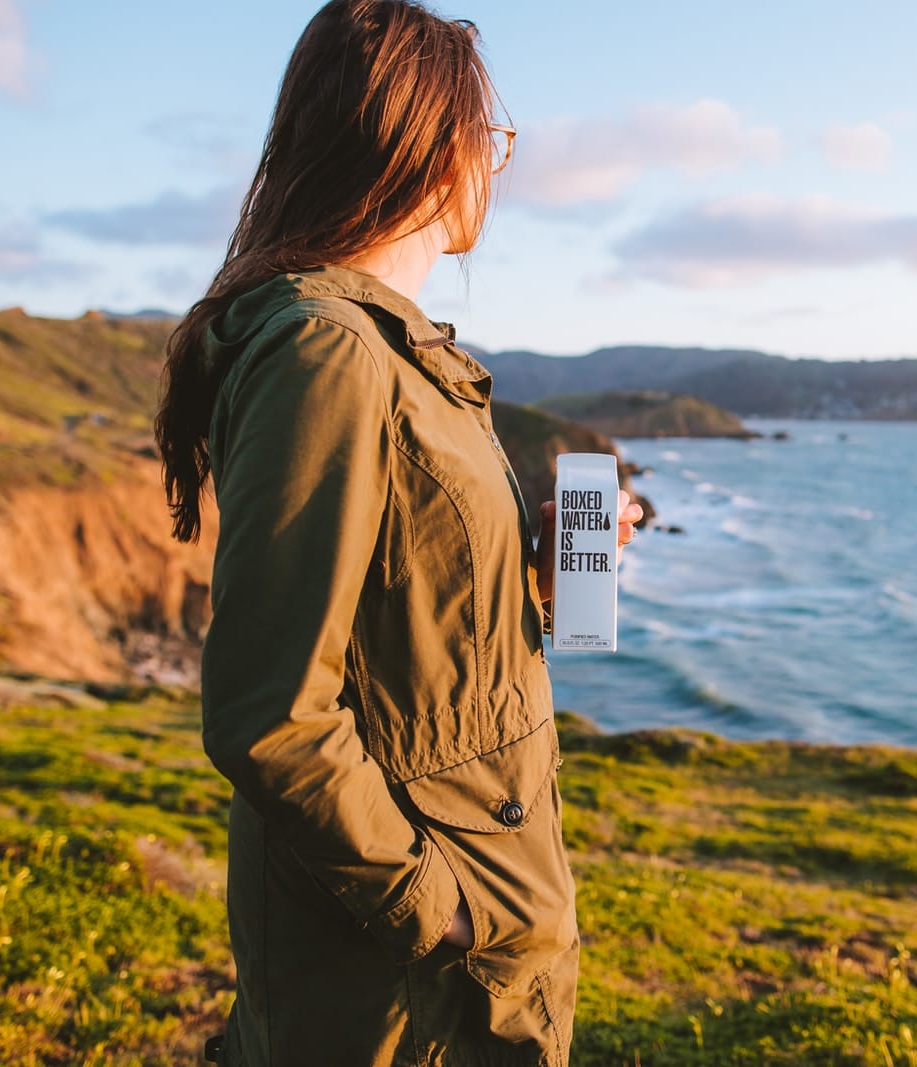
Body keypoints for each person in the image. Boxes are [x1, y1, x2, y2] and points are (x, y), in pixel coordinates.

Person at [153, 2, 643, 1064]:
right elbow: (270, 711)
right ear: (429, 142)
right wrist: (438, 908)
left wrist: (547, 567)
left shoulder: (390, 351)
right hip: (405, 970)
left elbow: (416, 622)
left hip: (468, 929)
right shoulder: (328, 354)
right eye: (489, 136)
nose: (493, 166)